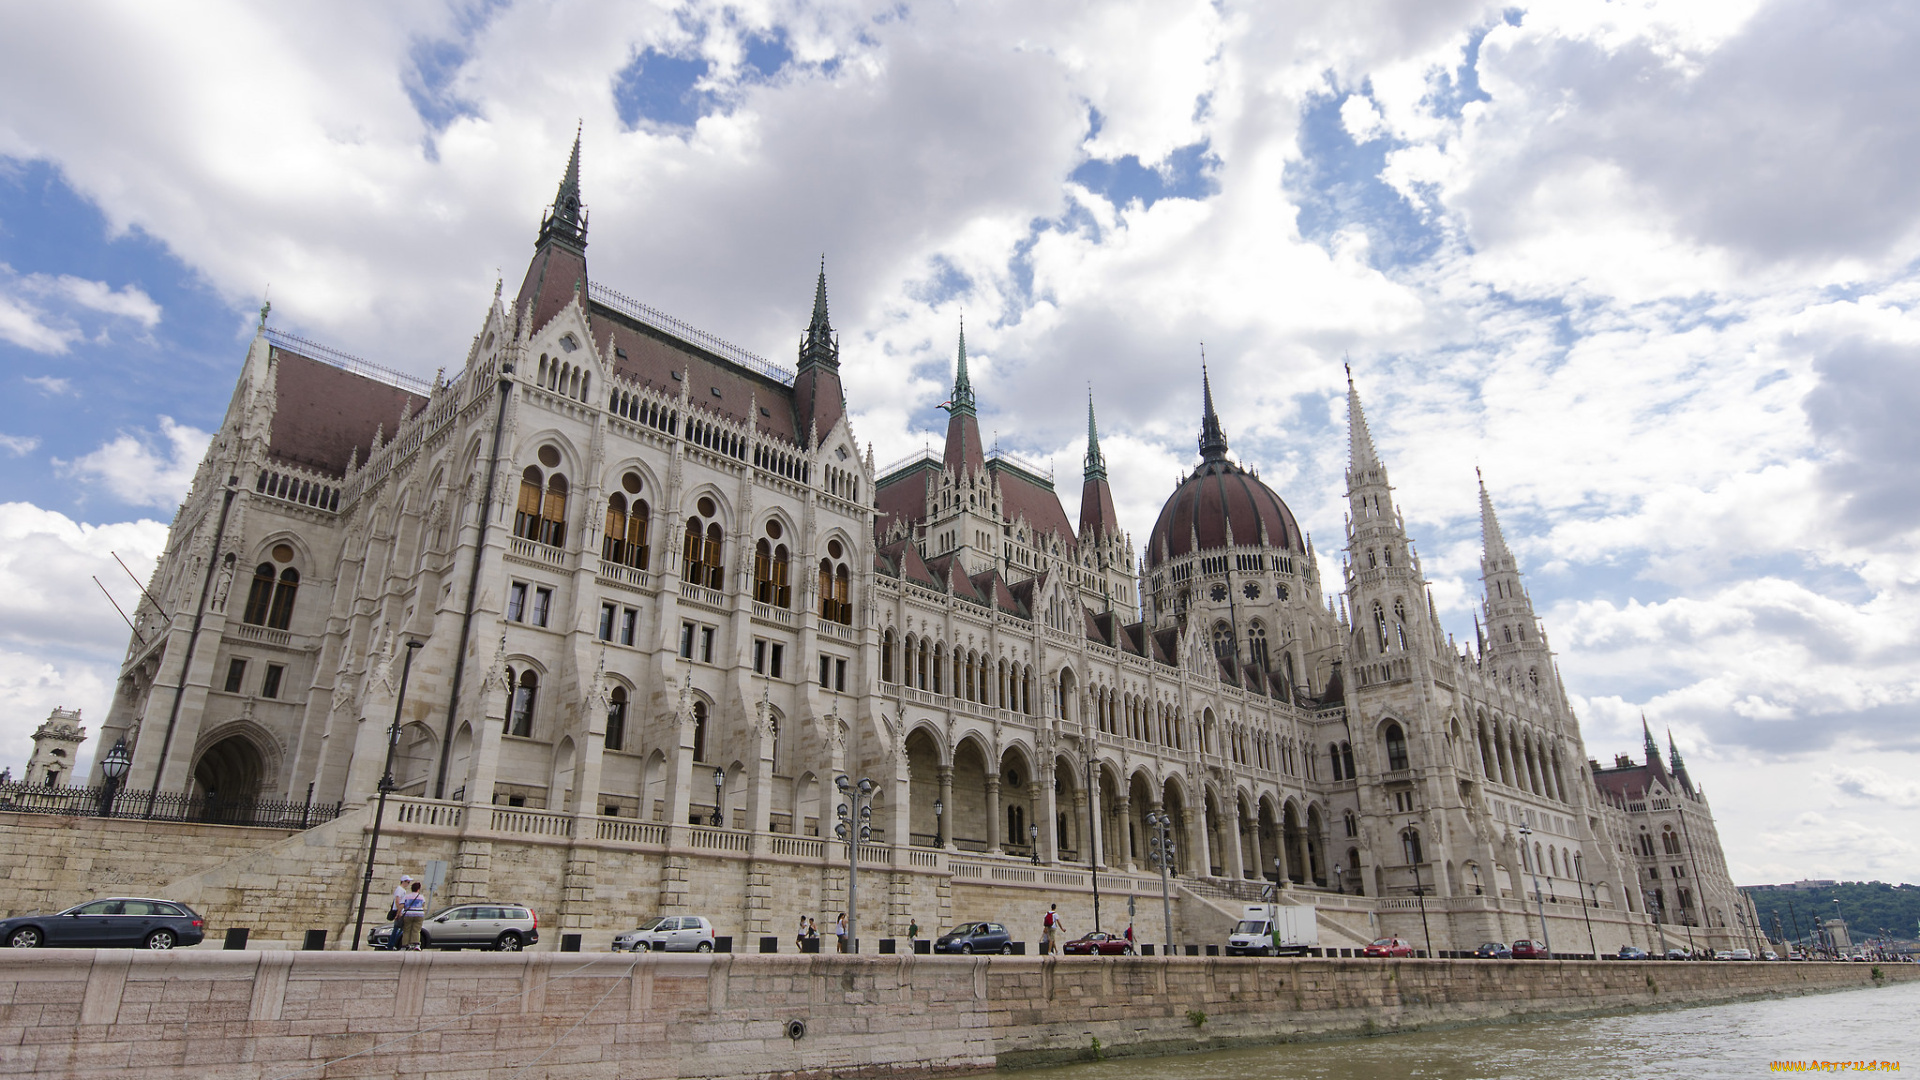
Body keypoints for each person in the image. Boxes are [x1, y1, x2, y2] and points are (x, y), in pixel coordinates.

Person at [399, 880, 427, 951]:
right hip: (419, 915)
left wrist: (399, 913)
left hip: (408, 914)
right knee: (416, 930)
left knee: (406, 930)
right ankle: (415, 944)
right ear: (418, 889)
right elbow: (423, 905)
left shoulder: (407, 896)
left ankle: (404, 945)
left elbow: (401, 905)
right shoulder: (421, 897)